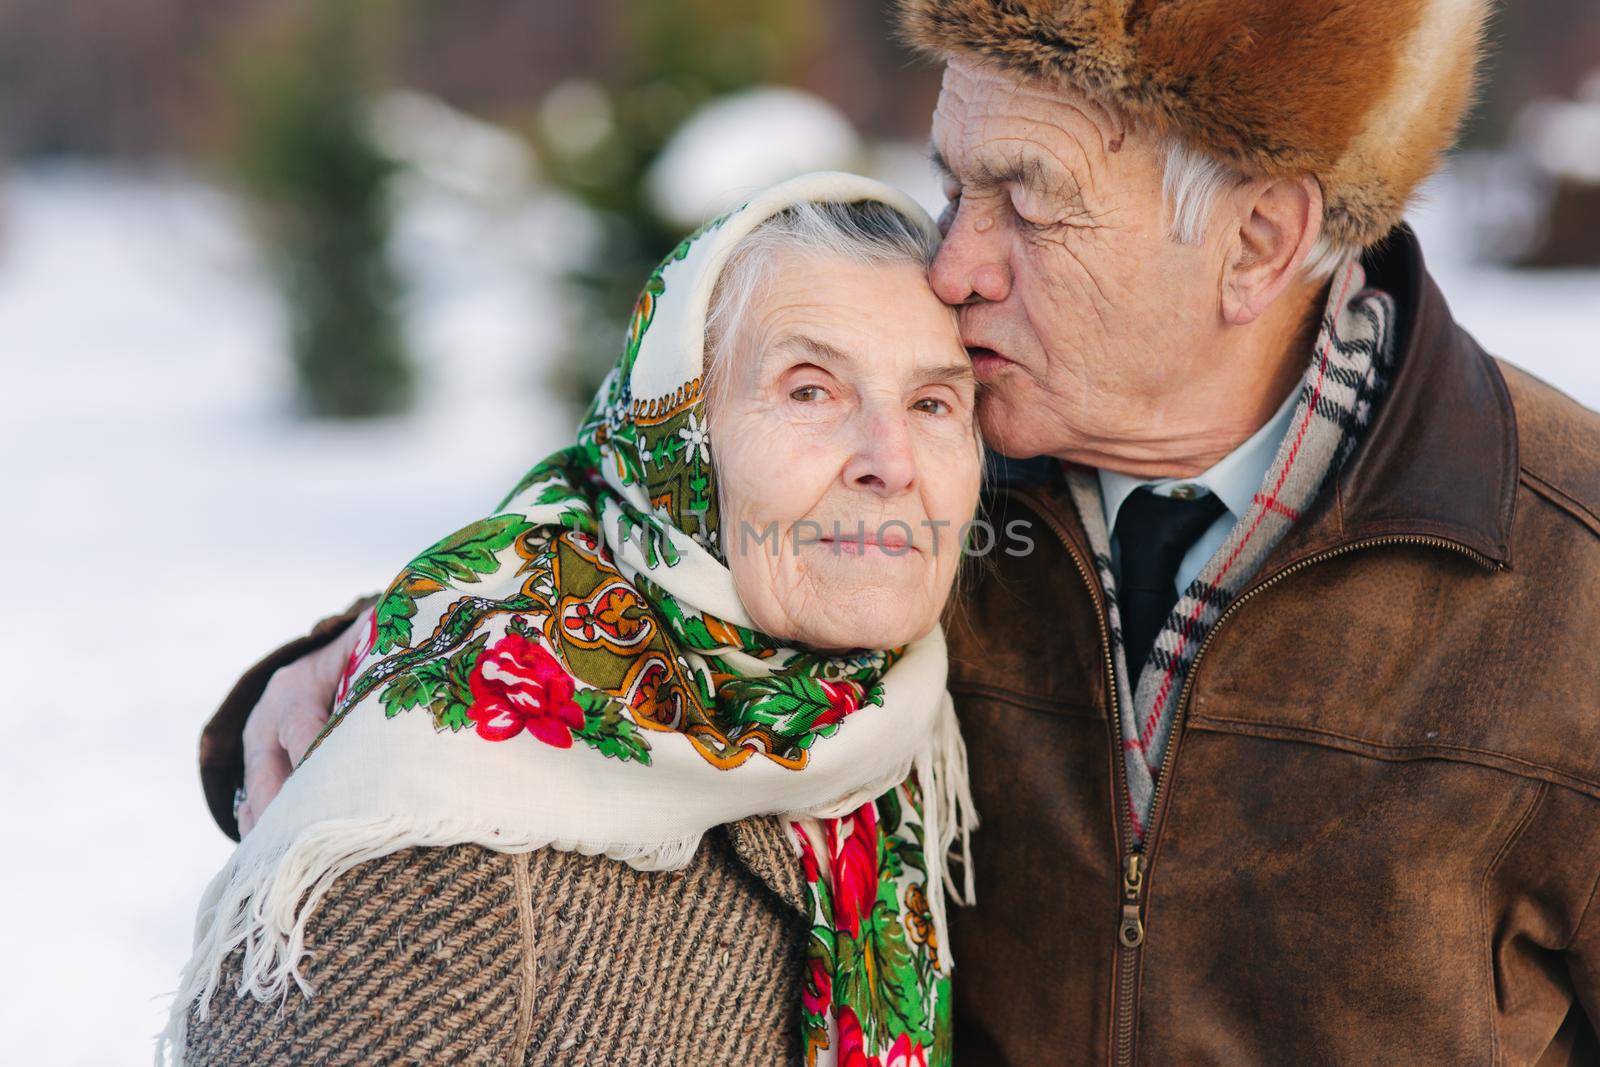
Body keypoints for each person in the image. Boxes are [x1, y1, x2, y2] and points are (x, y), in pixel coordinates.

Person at [204, 0, 1600, 1062]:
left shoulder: (1566, 576)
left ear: (1255, 241)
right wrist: (387, 647)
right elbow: (645, 531)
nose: (951, 264)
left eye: (1027, 203)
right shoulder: (925, 472)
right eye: (952, 183)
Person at [167, 174, 982, 1065]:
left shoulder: (937, 695)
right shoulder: (440, 824)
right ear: (676, 446)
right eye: (810, 390)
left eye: (933, 402)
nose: (892, 461)